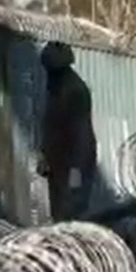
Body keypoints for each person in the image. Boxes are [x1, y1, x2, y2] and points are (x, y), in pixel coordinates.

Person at [38, 41, 97, 221]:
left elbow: (82, 135)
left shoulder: (75, 91)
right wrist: (45, 155)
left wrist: (76, 171)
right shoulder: (55, 90)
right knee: (59, 213)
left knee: (71, 214)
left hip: (73, 165)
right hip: (58, 164)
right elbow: (50, 126)